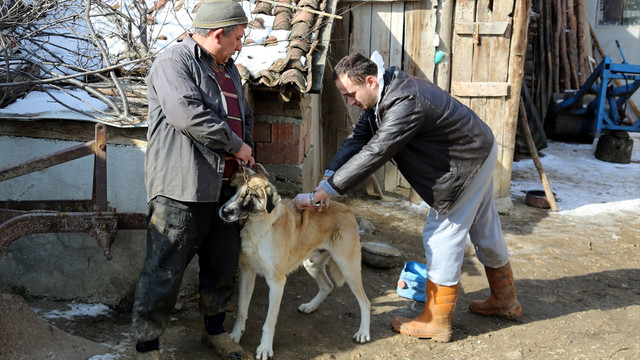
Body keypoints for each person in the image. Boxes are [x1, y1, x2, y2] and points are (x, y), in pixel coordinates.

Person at [294, 53, 522, 342]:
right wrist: (328, 176)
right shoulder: (385, 95)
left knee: (441, 235)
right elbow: (357, 140)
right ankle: (505, 299)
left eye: (351, 94)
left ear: (371, 81)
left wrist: (323, 193)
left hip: (466, 163)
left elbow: (376, 152)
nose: (350, 101)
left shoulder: (405, 103)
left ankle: (437, 321)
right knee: (484, 227)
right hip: (478, 150)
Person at [131, 1, 254, 359]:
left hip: (225, 190)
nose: (240, 45)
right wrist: (237, 145)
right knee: (163, 271)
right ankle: (147, 347)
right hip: (181, 189)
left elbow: (243, 118)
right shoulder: (173, 63)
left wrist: (246, 152)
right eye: (238, 37)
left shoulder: (230, 70)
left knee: (222, 266)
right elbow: (188, 115)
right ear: (218, 34)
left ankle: (215, 332)